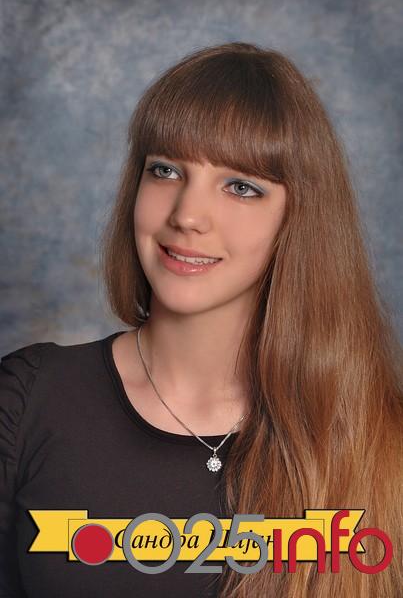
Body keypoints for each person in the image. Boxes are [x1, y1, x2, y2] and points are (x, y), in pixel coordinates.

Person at [1, 42, 402, 598]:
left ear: (299, 220)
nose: (187, 215)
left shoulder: (381, 439)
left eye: (241, 186)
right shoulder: (27, 401)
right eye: (165, 170)